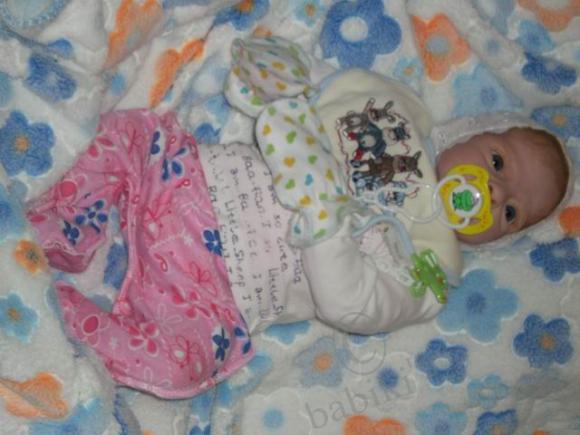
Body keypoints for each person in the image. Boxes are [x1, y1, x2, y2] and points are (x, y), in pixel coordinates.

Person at [23, 37, 572, 399]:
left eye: (510, 211)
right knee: (132, 132)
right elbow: (320, 89)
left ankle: (53, 310)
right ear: (472, 133)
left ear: (499, 240)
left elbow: (351, 305)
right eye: (498, 162)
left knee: (185, 367)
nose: (494, 190)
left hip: (210, 292)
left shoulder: (428, 271)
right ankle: (63, 225)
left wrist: (325, 220)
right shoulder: (394, 117)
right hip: (187, 181)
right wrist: (276, 75)